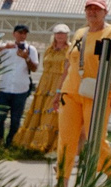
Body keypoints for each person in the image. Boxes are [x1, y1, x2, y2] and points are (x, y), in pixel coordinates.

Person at [54, 0, 111, 184]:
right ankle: (62, 181)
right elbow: (69, 63)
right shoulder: (80, 34)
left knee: (96, 138)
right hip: (71, 91)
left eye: (97, 9)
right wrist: (59, 90)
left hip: (97, 93)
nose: (92, 12)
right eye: (89, 8)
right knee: (66, 138)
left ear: (105, 12)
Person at [13, 24, 71, 156]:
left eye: (63, 33)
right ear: (54, 35)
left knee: (52, 114)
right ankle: (33, 144)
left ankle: (50, 145)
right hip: (45, 82)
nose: (60, 36)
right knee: (39, 111)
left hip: (59, 82)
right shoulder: (49, 49)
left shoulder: (70, 49)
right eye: (58, 33)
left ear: (67, 35)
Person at [0, 24, 39, 145]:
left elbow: (34, 68)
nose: (22, 36)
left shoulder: (30, 49)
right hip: (5, 87)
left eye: (24, 33)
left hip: (20, 89)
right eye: (20, 33)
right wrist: (5, 46)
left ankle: (10, 143)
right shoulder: (6, 47)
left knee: (15, 120)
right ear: (14, 34)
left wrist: (26, 57)